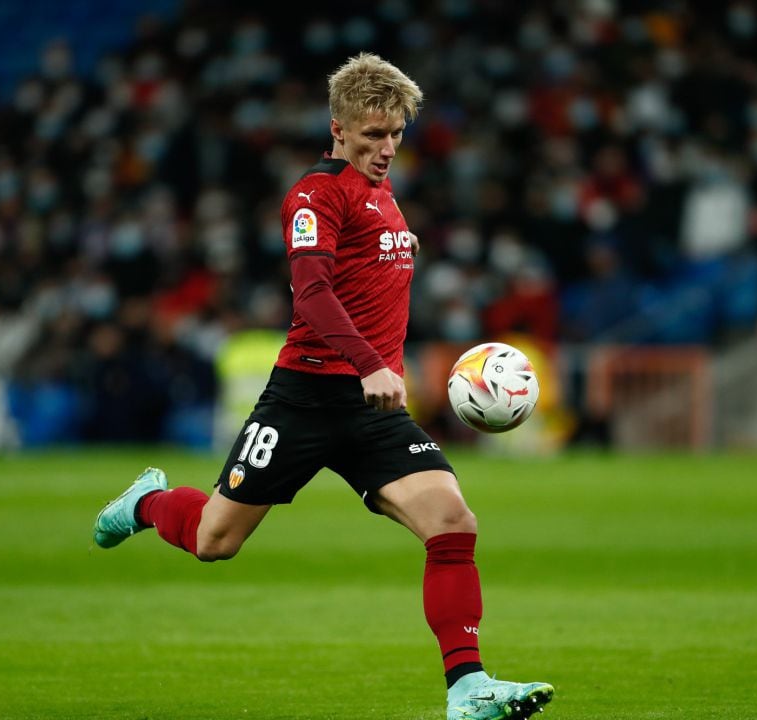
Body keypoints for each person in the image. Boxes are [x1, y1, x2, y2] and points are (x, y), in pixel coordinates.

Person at [92, 53, 554, 720]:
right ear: (337, 129)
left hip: (370, 410)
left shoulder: (382, 195)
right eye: (372, 135)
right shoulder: (313, 195)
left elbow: (366, 261)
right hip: (305, 397)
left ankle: (468, 688)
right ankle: (147, 502)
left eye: (395, 134)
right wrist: (371, 362)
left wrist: (400, 248)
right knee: (214, 541)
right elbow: (310, 292)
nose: (386, 148)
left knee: (453, 522)